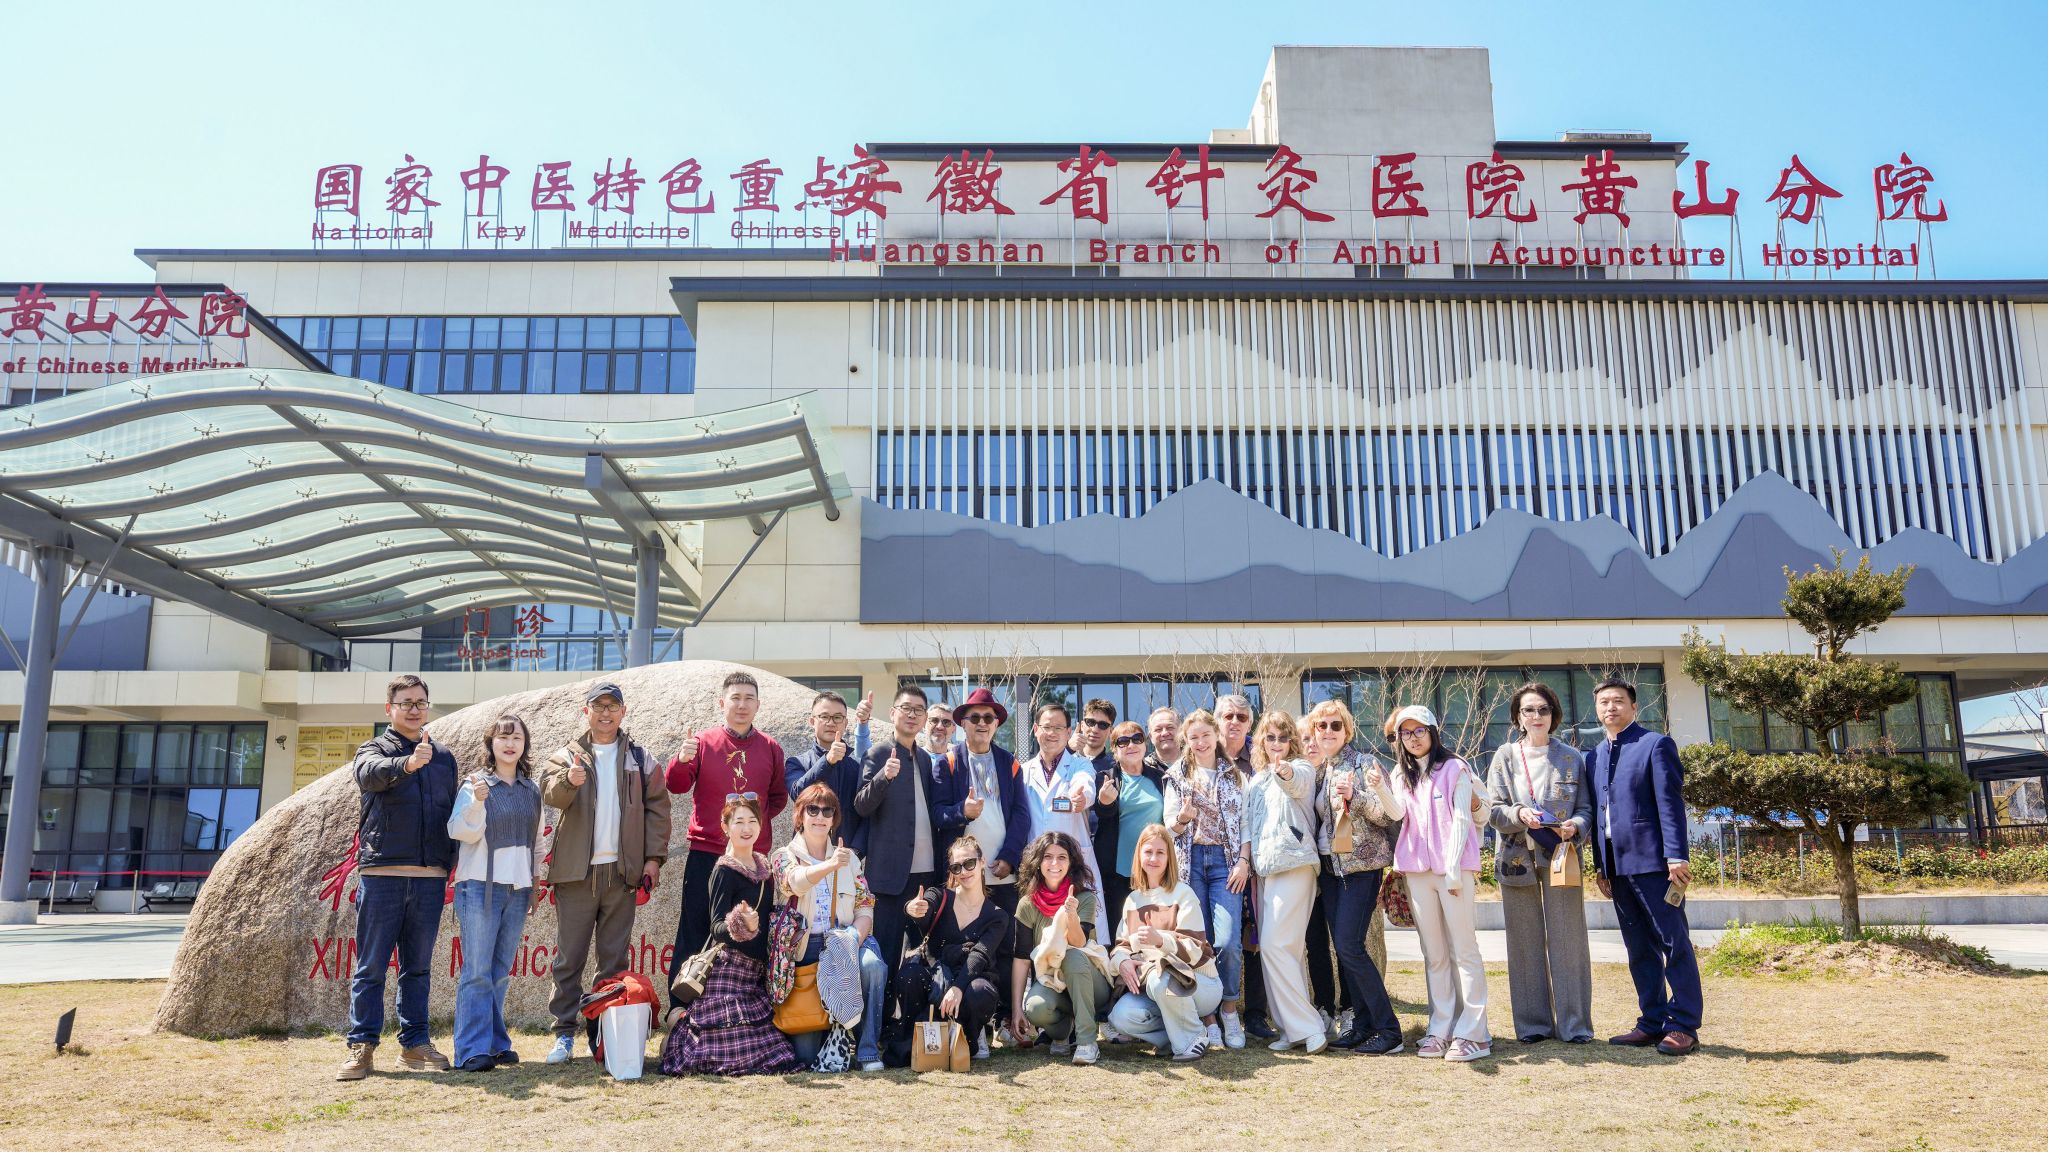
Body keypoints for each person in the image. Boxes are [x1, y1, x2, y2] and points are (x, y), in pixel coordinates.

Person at [539, 681, 671, 1063]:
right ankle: (563, 1034)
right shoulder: (567, 755)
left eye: (613, 706)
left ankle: (602, 1035)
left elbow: (658, 809)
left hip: (622, 874)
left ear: (623, 712)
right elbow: (549, 793)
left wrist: (653, 859)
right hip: (576, 874)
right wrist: (569, 781)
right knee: (569, 958)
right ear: (586, 712)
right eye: (598, 706)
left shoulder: (641, 758)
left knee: (613, 962)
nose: (605, 713)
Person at [338, 675, 459, 1080]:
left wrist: (451, 861)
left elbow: (450, 814)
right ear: (389, 709)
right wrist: (407, 764)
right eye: (406, 702)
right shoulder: (373, 749)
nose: (414, 709)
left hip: (430, 876)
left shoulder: (443, 757)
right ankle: (361, 1046)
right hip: (383, 873)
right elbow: (368, 776)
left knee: (418, 968)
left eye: (420, 702)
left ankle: (415, 1044)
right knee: (371, 966)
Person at [1587, 677, 1702, 1056]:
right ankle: (1651, 1022)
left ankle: (1683, 1024)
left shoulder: (1655, 745)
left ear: (1634, 707)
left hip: (1656, 864)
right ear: (1597, 710)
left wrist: (1677, 855)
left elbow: (1670, 805)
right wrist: (1600, 866)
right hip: (1616, 868)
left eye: (1618, 701)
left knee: (1674, 943)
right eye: (1604, 702)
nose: (1611, 708)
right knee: (1638, 948)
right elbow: (1599, 815)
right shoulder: (1594, 756)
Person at [1372, 704, 1491, 1063]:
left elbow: (1462, 818)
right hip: (1416, 872)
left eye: (1419, 730)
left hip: (1452, 872)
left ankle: (1475, 1033)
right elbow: (1398, 814)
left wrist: (1453, 868)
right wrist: (1380, 788)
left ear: (1433, 732)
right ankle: (1440, 1028)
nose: (1413, 738)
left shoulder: (1455, 767)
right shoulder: (1401, 773)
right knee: (1434, 953)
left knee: (1464, 950)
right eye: (1405, 733)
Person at [665, 671, 789, 1014]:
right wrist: (682, 759)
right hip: (707, 853)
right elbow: (675, 785)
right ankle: (680, 1008)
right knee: (695, 928)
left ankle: (751, 1008)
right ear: (722, 703)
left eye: (749, 698)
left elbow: (776, 798)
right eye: (735, 698)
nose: (742, 705)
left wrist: (749, 829)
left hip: (753, 861)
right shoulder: (703, 742)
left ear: (758, 705)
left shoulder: (771, 747)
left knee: (751, 932)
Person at [1485, 681, 1596, 1045]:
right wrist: (1519, 813)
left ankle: (1575, 1025)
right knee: (1523, 942)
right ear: (1518, 717)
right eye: (1529, 710)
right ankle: (1533, 1025)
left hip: (1562, 858)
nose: (1536, 716)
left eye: (1543, 709)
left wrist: (1575, 826)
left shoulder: (1571, 757)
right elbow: (1493, 810)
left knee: (1569, 940)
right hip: (1516, 860)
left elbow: (1586, 809)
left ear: (1553, 715)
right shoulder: (1504, 757)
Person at [660, 796, 802, 1075]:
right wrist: (740, 923)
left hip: (756, 973)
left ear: (761, 826)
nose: (746, 828)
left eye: (752, 821)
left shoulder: (766, 870)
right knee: (715, 1053)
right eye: (739, 822)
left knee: (773, 1052)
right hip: (729, 970)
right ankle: (674, 1038)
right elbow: (715, 927)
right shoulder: (724, 870)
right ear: (726, 827)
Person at [447, 714, 546, 1072]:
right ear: (491, 743)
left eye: (517, 737)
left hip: (517, 889)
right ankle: (471, 1050)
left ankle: (494, 1042)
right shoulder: (475, 783)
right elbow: (458, 831)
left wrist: (535, 883)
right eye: (503, 737)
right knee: (476, 970)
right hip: (478, 886)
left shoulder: (531, 790)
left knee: (500, 970)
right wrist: (476, 802)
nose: (510, 743)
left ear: (524, 745)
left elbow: (537, 842)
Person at [769, 783, 891, 1070]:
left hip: (845, 938)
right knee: (807, 1055)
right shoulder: (783, 856)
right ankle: (833, 1033)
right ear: (800, 815)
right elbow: (793, 883)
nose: (820, 816)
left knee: (872, 966)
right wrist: (830, 865)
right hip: (806, 950)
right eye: (813, 809)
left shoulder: (850, 860)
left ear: (835, 818)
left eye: (828, 811)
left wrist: (852, 939)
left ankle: (868, 1051)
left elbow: (865, 906)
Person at [1305, 700, 1403, 1054]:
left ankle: (1389, 1030)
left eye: (1336, 725)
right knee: (1345, 950)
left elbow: (1388, 815)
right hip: (1331, 871)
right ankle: (1362, 1026)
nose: (1328, 731)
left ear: (1347, 731)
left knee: (1349, 946)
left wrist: (1356, 796)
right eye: (1322, 726)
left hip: (1361, 869)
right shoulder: (1321, 771)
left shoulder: (1364, 764)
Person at [1160, 708, 1250, 1049]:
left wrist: (1244, 861)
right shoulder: (1176, 775)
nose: (1200, 742)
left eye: (1205, 735)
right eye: (1193, 737)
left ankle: (1229, 1009)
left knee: (1228, 941)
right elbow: (1169, 827)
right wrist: (1183, 819)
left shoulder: (1234, 774)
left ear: (1216, 736)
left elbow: (1245, 823)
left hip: (1226, 863)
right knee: (1198, 942)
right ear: (1187, 740)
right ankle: (1208, 1018)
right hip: (1191, 862)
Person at [1244, 711, 1327, 1054]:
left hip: (1295, 863)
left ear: (1292, 741)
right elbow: (1248, 825)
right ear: (1261, 741)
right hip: (1265, 870)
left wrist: (1286, 772)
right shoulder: (1255, 781)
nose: (1276, 743)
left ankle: (1309, 1027)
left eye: (1283, 737)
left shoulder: (1302, 767)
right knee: (1278, 950)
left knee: (1278, 945)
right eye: (1270, 737)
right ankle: (1290, 1029)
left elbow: (1298, 783)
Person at [1106, 824, 1219, 1061]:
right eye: (1148, 852)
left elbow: (1196, 950)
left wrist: (1161, 941)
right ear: (1139, 856)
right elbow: (1121, 946)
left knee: (1161, 977)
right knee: (1121, 1017)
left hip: (1200, 983)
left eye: (1160, 853)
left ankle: (1194, 1037)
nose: (1153, 858)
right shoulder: (1133, 900)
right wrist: (1122, 962)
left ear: (1169, 858)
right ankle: (1173, 1038)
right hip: (1156, 986)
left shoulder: (1183, 893)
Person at [897, 835, 1014, 1063]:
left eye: (969, 863)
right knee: (909, 976)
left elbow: (980, 954)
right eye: (956, 867)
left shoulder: (997, 915)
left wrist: (958, 987)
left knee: (979, 991)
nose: (964, 871)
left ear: (982, 862)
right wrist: (912, 908)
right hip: (937, 977)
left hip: (972, 979)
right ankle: (916, 1041)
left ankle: (971, 1033)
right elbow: (924, 907)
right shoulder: (939, 896)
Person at [853, 686, 940, 990]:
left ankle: (914, 1020)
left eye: (919, 710)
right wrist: (884, 777)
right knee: (886, 956)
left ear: (925, 718)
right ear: (892, 713)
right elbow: (861, 805)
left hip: (925, 873)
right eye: (906, 708)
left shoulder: (925, 759)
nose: (912, 715)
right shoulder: (877, 753)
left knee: (923, 955)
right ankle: (880, 1019)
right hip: (889, 876)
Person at [1010, 831, 1114, 1065]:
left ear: (1071, 863)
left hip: (1091, 984)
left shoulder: (1084, 897)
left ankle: (1087, 1041)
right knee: (1035, 1008)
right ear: (1038, 863)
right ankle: (1063, 1031)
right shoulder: (1027, 903)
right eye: (1047, 857)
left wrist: (1072, 915)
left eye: (1062, 857)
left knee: (1072, 956)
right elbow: (1022, 959)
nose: (1054, 863)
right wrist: (1016, 1009)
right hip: (1052, 982)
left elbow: (1078, 943)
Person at [930, 687, 1031, 914]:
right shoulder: (947, 762)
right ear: (963, 724)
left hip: (1002, 872)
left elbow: (1021, 814)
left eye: (988, 718)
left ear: (996, 724)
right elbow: (937, 813)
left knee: (1006, 933)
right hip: (962, 874)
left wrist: (1009, 856)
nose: (982, 723)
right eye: (975, 718)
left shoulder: (1010, 763)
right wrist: (962, 812)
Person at [1213, 692, 1276, 1042]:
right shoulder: (1206, 755)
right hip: (1217, 866)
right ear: (1217, 720)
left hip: (1258, 863)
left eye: (1241, 717)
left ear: (1250, 723)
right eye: (1228, 716)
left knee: (1255, 938)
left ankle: (1255, 1014)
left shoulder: (1260, 758)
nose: (1234, 722)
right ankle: (1216, 1011)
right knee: (1222, 938)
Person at [1018, 702, 1107, 943]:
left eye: (1058, 728)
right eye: (1046, 727)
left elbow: (1085, 783)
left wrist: (1082, 797)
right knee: (1040, 932)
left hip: (1074, 862)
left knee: (1082, 933)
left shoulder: (1080, 764)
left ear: (1069, 732)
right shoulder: (1024, 771)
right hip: (1039, 864)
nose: (1052, 733)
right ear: (1035, 729)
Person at [1091, 714, 1161, 942]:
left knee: (1152, 930)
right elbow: (1102, 814)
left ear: (1145, 744)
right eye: (1123, 741)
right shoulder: (1106, 778)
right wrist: (1105, 802)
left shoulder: (1160, 778)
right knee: (1119, 933)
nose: (1131, 745)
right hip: (1118, 872)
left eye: (1137, 739)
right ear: (1114, 749)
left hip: (1154, 868)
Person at [785, 691, 872, 851]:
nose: (831, 723)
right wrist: (828, 761)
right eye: (824, 716)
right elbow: (798, 793)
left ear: (845, 723)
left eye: (837, 717)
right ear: (812, 721)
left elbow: (867, 810)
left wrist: (856, 851)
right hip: (805, 855)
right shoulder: (797, 762)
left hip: (847, 855)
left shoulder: (857, 766)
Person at [1143, 707, 1181, 776]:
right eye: (1158, 729)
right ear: (1151, 737)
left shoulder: (1195, 762)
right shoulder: (1142, 768)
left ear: (1180, 731)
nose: (1165, 733)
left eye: (1170, 727)